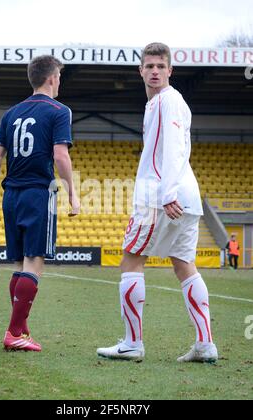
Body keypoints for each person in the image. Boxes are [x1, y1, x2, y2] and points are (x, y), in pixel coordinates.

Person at [97, 43, 218, 363]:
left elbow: (174, 148)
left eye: (159, 66)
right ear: (140, 70)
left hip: (162, 197)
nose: (154, 71)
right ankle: (205, 344)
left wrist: (166, 195)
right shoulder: (160, 104)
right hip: (185, 197)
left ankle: (132, 343)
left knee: (131, 260)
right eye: (148, 66)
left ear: (169, 70)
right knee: (183, 265)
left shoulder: (168, 100)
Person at [0, 55, 80, 352]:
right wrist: (72, 193)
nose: (59, 82)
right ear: (52, 78)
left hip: (10, 194)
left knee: (19, 265)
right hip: (38, 193)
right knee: (35, 262)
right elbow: (60, 155)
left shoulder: (11, 113)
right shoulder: (59, 111)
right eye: (59, 77)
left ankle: (21, 329)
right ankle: (14, 333)